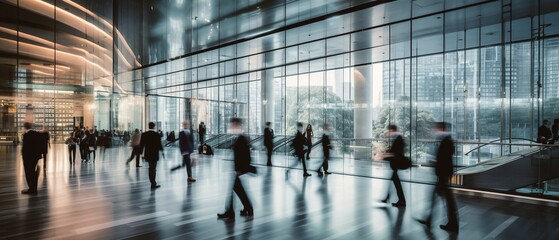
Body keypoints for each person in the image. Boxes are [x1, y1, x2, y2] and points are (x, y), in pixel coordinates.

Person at [417, 122, 459, 232]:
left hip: (443, 174)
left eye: (437, 129)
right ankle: (430, 220)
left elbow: (444, 159)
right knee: (438, 198)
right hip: (443, 174)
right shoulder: (446, 141)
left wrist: (435, 163)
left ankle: (451, 224)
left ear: (442, 129)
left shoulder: (446, 141)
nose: (435, 131)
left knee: (446, 200)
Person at [217, 118, 256, 219]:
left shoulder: (242, 138)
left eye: (233, 125)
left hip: (239, 170)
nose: (231, 127)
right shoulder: (241, 137)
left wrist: (239, 170)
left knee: (237, 189)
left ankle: (233, 211)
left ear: (238, 125)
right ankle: (246, 209)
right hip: (238, 169)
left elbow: (245, 156)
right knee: (238, 189)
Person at [382, 124, 406, 207]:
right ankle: (388, 197)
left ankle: (401, 201)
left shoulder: (398, 139)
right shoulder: (397, 139)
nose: (388, 132)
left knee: (396, 182)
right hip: (395, 164)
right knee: (395, 181)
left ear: (392, 130)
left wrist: (387, 153)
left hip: (396, 163)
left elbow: (396, 152)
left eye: (389, 131)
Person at [139, 122, 164, 189]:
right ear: (154, 127)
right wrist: (162, 150)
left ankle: (152, 182)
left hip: (148, 154)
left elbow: (142, 144)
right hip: (155, 154)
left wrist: (140, 153)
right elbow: (159, 145)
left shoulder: (144, 134)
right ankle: (153, 183)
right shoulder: (157, 135)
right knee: (153, 168)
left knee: (150, 167)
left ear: (148, 126)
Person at [21, 122, 42, 195]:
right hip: (34, 157)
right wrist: (39, 155)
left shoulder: (26, 135)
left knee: (29, 173)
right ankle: (33, 189)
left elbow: (26, 148)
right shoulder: (36, 133)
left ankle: (31, 189)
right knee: (32, 173)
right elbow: (39, 144)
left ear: (25, 127)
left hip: (28, 158)